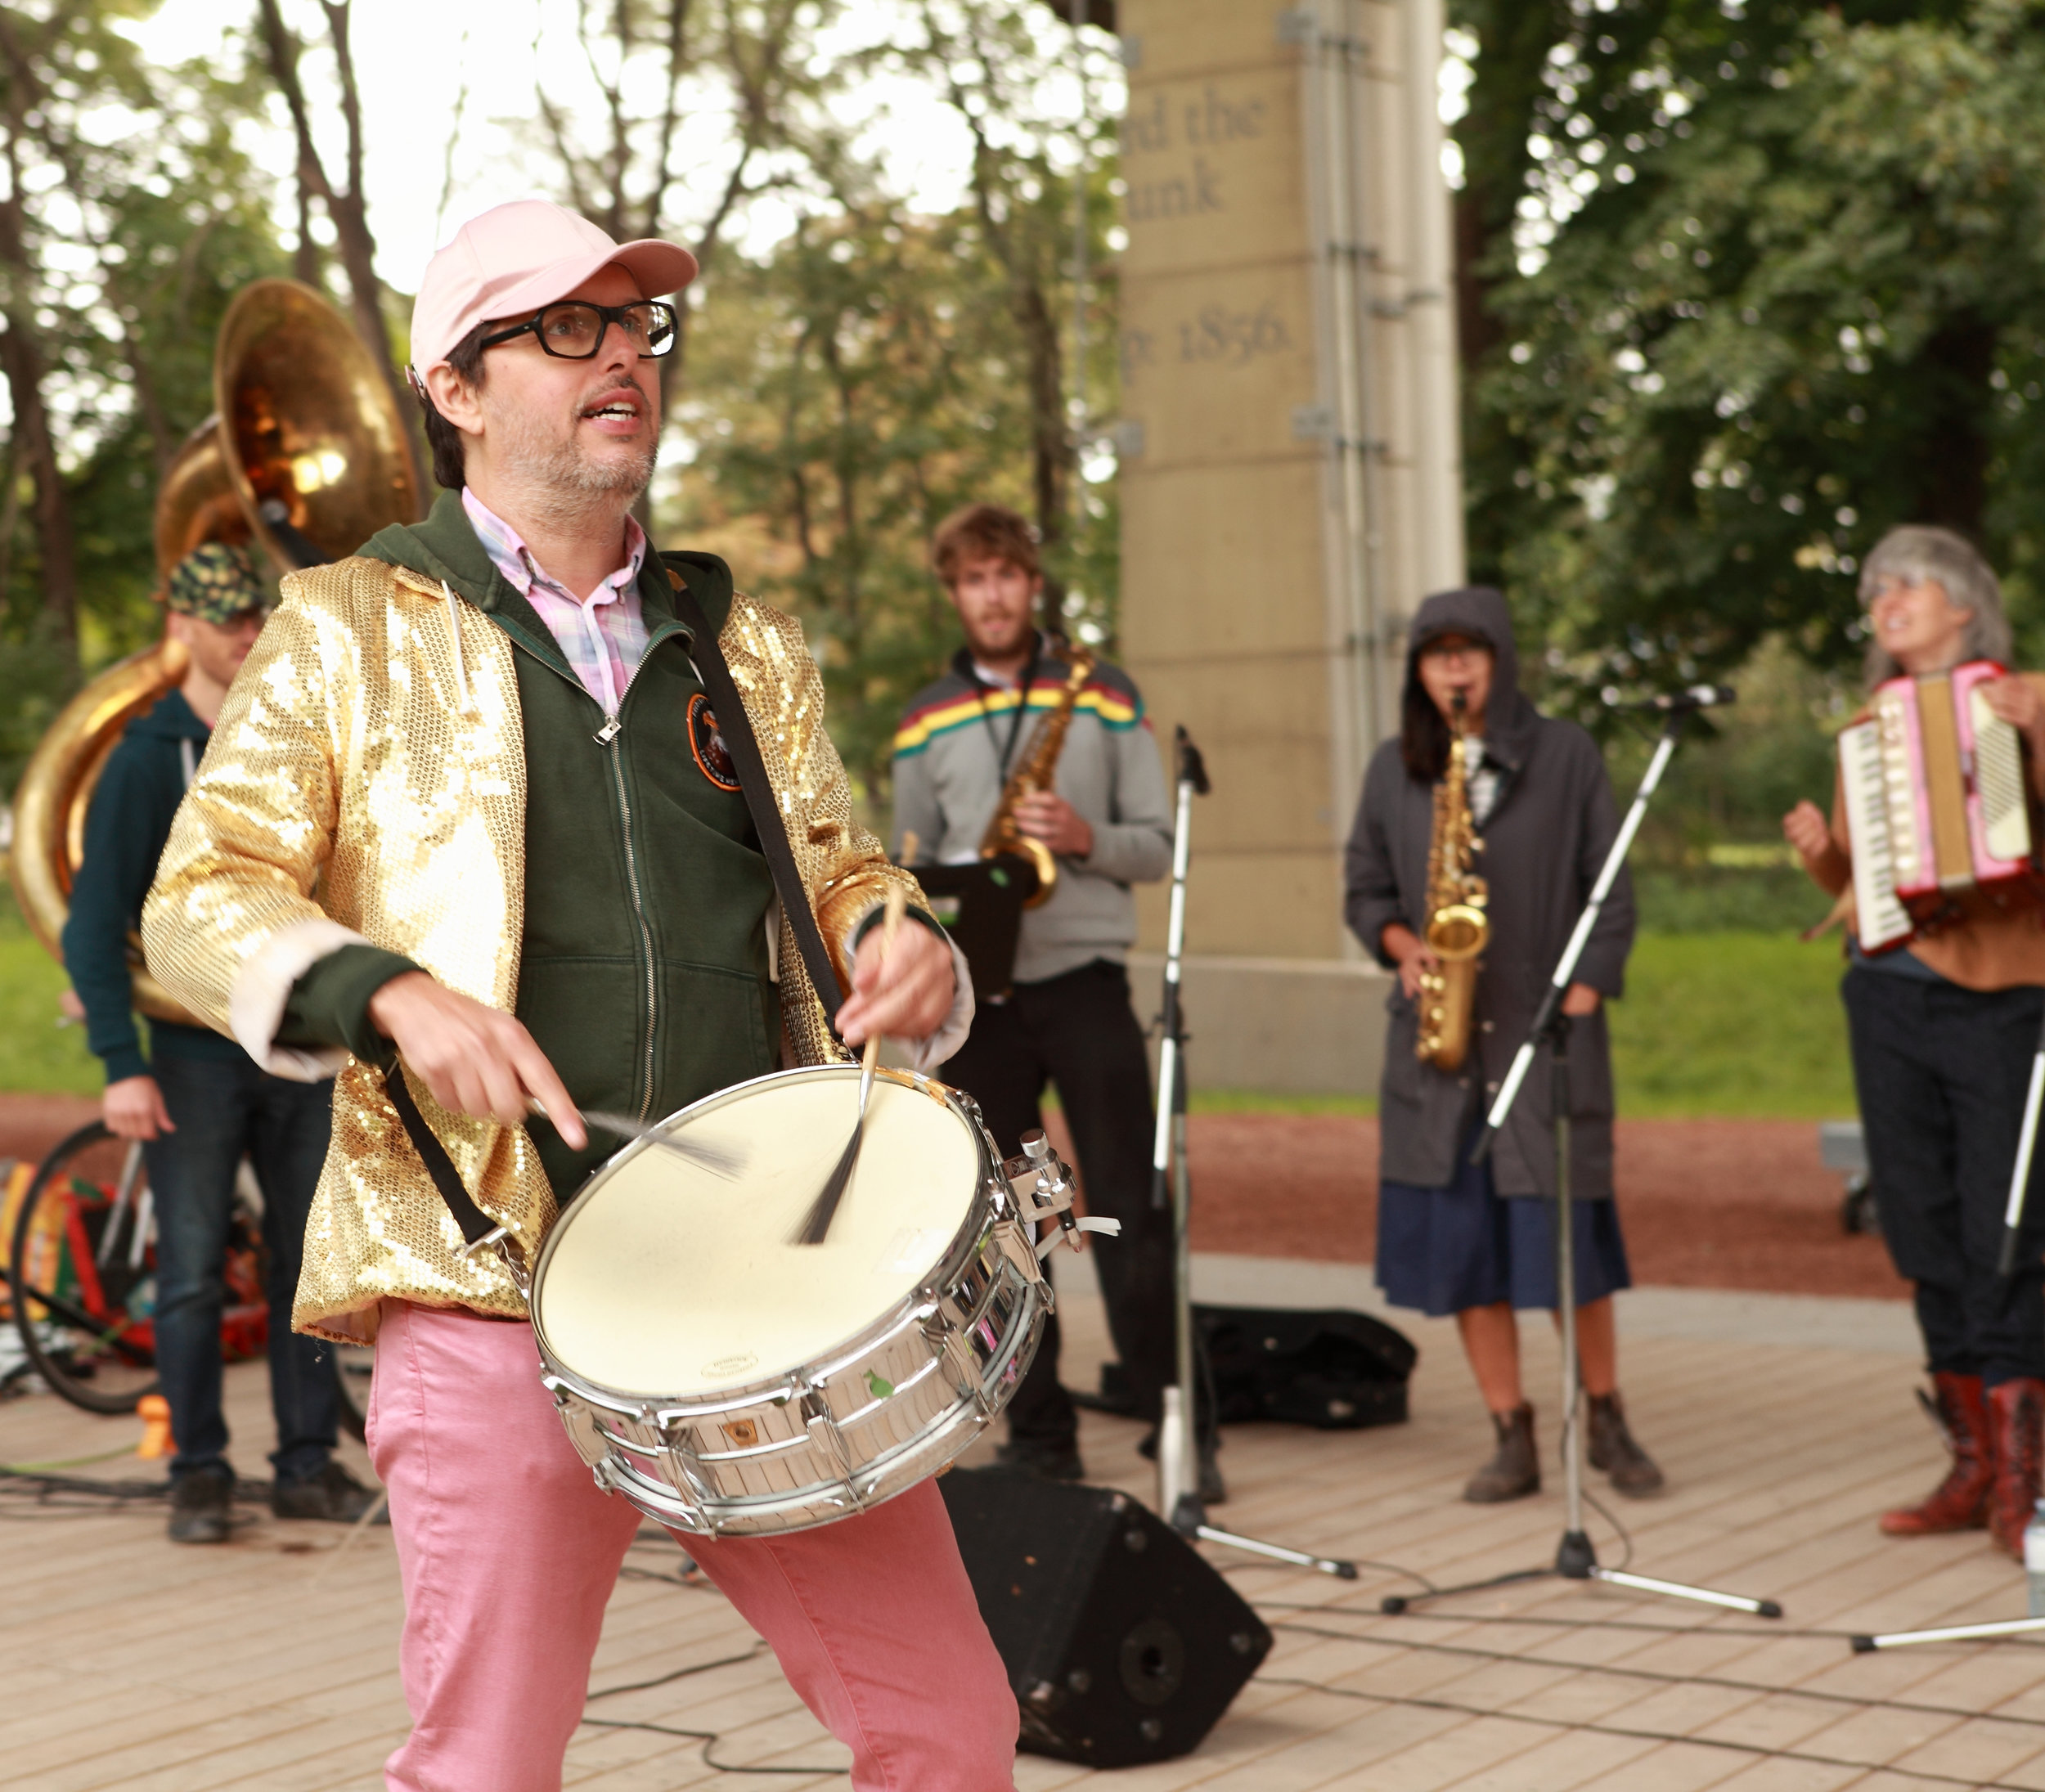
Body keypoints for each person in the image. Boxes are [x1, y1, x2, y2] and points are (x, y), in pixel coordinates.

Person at [142, 200, 1013, 1792]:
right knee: (485, 1767)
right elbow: (198, 903)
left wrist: (903, 935)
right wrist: (385, 990)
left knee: (950, 1730)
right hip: (485, 1288)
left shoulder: (733, 631)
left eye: (638, 327)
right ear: (456, 387)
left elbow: (836, 863)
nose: (621, 354)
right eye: (568, 327)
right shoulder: (345, 626)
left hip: (766, 1281)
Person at [61, 541, 375, 1544]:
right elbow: (91, 922)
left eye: (259, 617)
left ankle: (304, 1465)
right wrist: (118, 1063)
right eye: (230, 619)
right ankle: (197, 1472)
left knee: (308, 1271)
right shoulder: (145, 757)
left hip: (299, 1040)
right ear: (185, 629)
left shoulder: (297, 734)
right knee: (193, 1268)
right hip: (190, 1052)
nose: (248, 635)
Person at [891, 504, 1189, 1489]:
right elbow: (905, 869)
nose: (992, 595)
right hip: (983, 1000)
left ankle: (1174, 1414)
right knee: (1010, 1222)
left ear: (1032, 585)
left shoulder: (1103, 695)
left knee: (1130, 1201)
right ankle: (1041, 1432)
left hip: (1085, 981)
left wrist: (1083, 836)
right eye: (973, 579)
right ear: (954, 592)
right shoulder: (923, 717)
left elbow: (1159, 843)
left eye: (1007, 576)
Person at [1344, 586, 1663, 1503]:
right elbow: (1365, 888)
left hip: (1543, 1036)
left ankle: (1604, 1414)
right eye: (1434, 651)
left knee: (1569, 1248)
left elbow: (1610, 884)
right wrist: (1405, 950)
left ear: (1500, 659)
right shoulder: (1392, 767)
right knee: (1464, 1250)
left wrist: (1589, 990)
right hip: (1437, 1052)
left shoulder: (1563, 755)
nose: (1452, 665)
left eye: (1469, 649)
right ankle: (1509, 1429)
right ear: (1417, 668)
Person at [1784, 525, 2045, 1556]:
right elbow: (1865, 886)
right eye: (1876, 591)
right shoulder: (1869, 726)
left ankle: (2026, 1475)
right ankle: (1972, 1461)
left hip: (2002, 996)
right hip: (1885, 993)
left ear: (1964, 608)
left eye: (1907, 587)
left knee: (2009, 1229)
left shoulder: (2021, 701)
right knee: (1923, 1228)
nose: (1885, 602)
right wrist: (1824, 856)